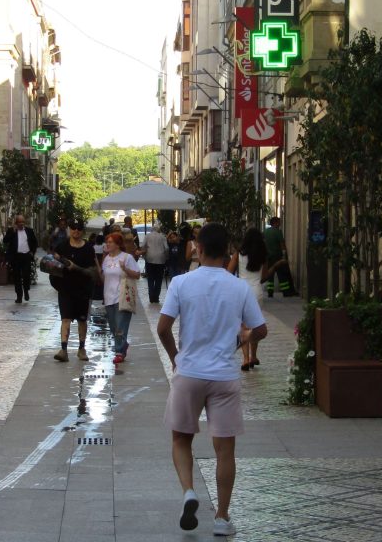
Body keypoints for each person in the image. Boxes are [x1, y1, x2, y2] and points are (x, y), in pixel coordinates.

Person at [156, 223, 267, 537]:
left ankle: (189, 491)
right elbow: (260, 330)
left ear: (198, 249)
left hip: (189, 372)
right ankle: (221, 517)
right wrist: (240, 340)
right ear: (228, 252)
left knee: (180, 440)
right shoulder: (239, 287)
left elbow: (163, 328)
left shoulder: (181, 283)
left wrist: (176, 358)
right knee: (225, 450)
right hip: (224, 376)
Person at [226, 228, 287, 370]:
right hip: (257, 292)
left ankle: (245, 359)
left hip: (241, 291)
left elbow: (229, 273)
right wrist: (276, 266)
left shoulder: (238, 254)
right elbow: (264, 277)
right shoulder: (262, 256)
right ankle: (254, 356)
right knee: (255, 325)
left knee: (243, 326)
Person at [52, 219, 96, 362]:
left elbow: (92, 272)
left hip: (83, 290)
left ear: (82, 230)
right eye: (73, 228)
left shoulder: (88, 248)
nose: (75, 230)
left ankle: (81, 349)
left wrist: (75, 268)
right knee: (65, 319)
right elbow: (54, 266)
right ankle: (63, 350)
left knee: (82, 320)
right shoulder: (62, 246)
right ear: (69, 229)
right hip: (65, 289)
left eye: (78, 228)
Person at [99, 231, 141, 364]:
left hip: (122, 296)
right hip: (108, 296)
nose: (108, 244)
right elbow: (104, 277)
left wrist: (125, 269)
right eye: (107, 242)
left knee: (120, 326)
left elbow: (137, 274)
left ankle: (119, 352)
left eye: (110, 242)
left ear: (117, 244)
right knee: (113, 326)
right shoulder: (106, 259)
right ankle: (123, 344)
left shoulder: (126, 257)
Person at [3, 214, 38, 303]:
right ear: (16, 223)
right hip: (16, 257)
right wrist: (12, 232)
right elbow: (5, 240)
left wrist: (32, 252)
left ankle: (26, 291)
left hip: (26, 256)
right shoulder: (12, 231)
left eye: (23, 222)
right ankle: (19, 295)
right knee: (17, 277)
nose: (21, 224)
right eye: (19, 222)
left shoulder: (29, 231)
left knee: (26, 275)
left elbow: (34, 243)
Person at [263, 216, 297, 297]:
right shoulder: (278, 231)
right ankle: (286, 292)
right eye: (279, 222)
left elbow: (263, 243)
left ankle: (270, 292)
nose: (280, 224)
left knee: (270, 275)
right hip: (277, 257)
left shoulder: (265, 232)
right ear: (275, 223)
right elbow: (282, 245)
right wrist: (285, 256)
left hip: (268, 257)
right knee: (282, 274)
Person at [142, 223, 169, 303]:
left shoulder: (147, 236)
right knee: (158, 279)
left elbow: (143, 246)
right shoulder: (162, 236)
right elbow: (167, 248)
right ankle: (156, 297)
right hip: (160, 260)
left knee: (150, 279)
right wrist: (166, 257)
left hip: (150, 259)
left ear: (152, 229)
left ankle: (151, 297)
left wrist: (144, 255)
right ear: (158, 230)